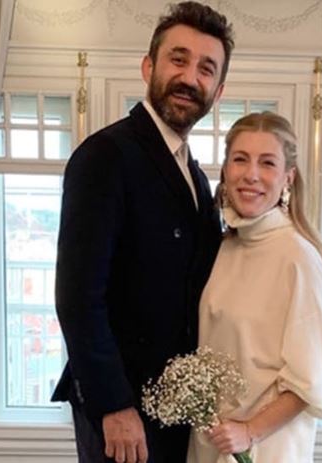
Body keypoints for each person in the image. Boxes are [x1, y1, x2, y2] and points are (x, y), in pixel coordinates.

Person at [51, 3, 234, 463]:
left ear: (218, 90)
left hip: (176, 409)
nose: (189, 77)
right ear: (148, 67)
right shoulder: (106, 156)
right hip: (123, 411)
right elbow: (78, 297)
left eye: (206, 69)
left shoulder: (196, 175)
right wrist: (113, 405)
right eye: (178, 59)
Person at [187, 112, 322, 463]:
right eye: (240, 159)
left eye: (267, 163)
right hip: (213, 442)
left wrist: (249, 432)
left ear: (287, 178)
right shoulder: (224, 248)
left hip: (266, 447)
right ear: (226, 170)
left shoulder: (299, 259)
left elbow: (311, 379)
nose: (251, 174)